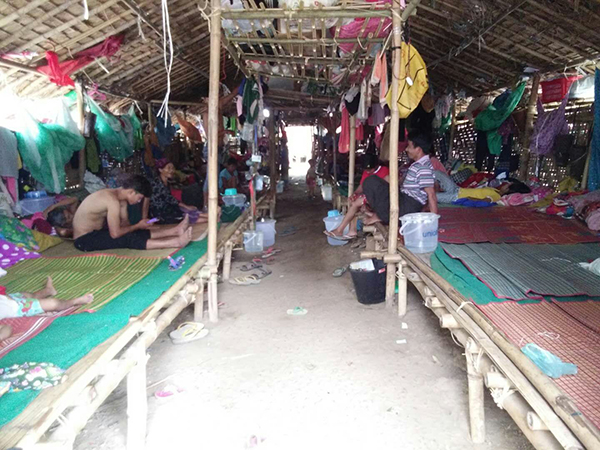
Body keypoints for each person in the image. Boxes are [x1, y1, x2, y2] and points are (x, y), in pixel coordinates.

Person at [73, 175, 192, 252]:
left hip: (95, 233)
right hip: (83, 240)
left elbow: (126, 226)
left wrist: (139, 226)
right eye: (139, 198)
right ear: (131, 192)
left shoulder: (120, 200)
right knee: (127, 238)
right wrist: (137, 226)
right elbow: (115, 233)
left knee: (134, 232)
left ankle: (175, 231)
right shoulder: (111, 200)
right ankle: (176, 242)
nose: (138, 201)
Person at [362, 131, 438, 226]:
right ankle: (381, 214)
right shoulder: (419, 164)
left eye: (409, 146)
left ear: (418, 149)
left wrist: (433, 223)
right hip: (404, 201)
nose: (406, 149)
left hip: (407, 207)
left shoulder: (423, 167)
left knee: (371, 182)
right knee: (374, 182)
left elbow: (431, 195)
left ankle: (381, 216)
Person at [328, 154, 389, 238]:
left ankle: (340, 230)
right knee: (353, 200)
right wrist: (355, 193)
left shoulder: (384, 171)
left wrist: (367, 199)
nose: (368, 171)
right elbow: (361, 186)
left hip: (381, 200)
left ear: (376, 165)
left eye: (370, 169)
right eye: (366, 169)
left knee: (356, 203)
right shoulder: (366, 172)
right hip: (370, 198)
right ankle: (351, 230)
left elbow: (387, 190)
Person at [0, 277, 93, 324]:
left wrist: (7, 297)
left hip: (7, 299)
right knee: (53, 303)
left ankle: (48, 291)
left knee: (27, 295)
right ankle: (75, 301)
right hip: (17, 309)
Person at [149, 159, 207, 224]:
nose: (171, 170)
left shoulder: (166, 182)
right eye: (168, 168)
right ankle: (211, 219)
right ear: (160, 170)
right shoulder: (156, 184)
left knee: (191, 211)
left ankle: (211, 217)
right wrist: (186, 206)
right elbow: (170, 199)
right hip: (160, 214)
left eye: (172, 168)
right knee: (188, 215)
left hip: (169, 209)